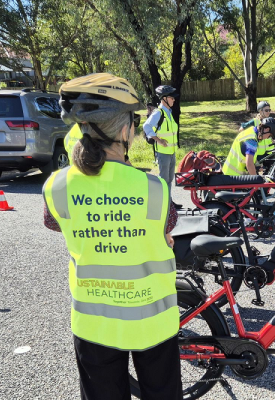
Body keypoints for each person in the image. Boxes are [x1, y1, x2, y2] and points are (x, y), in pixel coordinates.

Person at [43, 73, 183, 400]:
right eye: (133, 123)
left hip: (94, 325)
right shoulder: (154, 190)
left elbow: (55, 224)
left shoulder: (57, 186)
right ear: (124, 131)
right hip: (153, 323)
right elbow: (167, 228)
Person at [142, 85, 179, 191]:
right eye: (172, 98)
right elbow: (146, 126)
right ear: (164, 99)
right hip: (163, 153)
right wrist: (159, 140)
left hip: (171, 152)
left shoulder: (169, 113)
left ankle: (169, 203)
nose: (174, 100)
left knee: (169, 180)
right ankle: (164, 206)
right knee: (164, 181)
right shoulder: (158, 113)